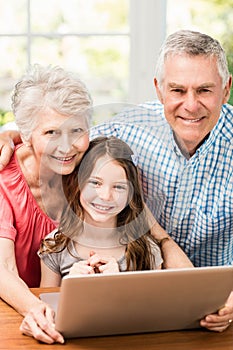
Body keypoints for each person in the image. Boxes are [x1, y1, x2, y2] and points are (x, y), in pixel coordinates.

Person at [1, 29, 232, 332]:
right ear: (159, 89)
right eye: (177, 90)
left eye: (204, 90)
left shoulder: (87, 157)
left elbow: (154, 234)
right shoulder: (14, 171)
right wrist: (11, 131)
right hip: (28, 311)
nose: (68, 146)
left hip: (197, 310)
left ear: (226, 89)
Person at [0, 64, 93, 344]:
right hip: (18, 313)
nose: (66, 147)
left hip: (77, 317)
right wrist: (34, 308)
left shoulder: (93, 170)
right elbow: (3, 268)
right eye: (51, 133)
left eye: (76, 130)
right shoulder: (4, 179)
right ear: (25, 135)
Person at [38, 136, 163, 288]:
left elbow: (152, 309)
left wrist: (119, 286)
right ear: (77, 183)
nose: (105, 196)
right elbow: (46, 305)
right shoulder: (55, 246)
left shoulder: (146, 250)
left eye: (118, 187)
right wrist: (69, 286)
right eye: (95, 183)